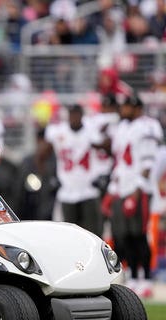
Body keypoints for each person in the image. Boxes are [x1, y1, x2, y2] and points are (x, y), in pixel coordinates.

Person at [107, 94, 163, 298]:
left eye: (127, 106)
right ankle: (131, 275)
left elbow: (148, 164)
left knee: (139, 235)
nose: (123, 110)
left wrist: (137, 191)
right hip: (122, 187)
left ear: (137, 107)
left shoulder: (147, 126)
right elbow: (120, 161)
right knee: (123, 235)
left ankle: (146, 277)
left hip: (140, 189)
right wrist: (113, 190)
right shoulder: (122, 128)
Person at [38, 104, 103, 236]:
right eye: (72, 114)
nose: (74, 118)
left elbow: (108, 149)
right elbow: (41, 156)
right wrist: (49, 177)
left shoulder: (91, 131)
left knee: (93, 234)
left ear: (82, 116)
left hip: (89, 189)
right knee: (69, 234)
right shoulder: (59, 132)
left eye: (77, 114)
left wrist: (102, 173)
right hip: (67, 190)